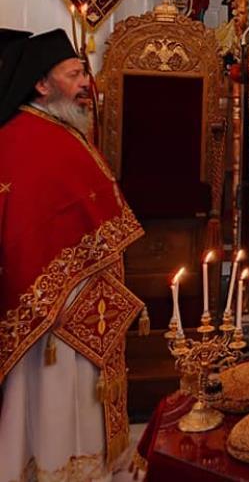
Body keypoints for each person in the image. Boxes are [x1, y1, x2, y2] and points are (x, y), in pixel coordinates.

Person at [0, 29, 145, 482]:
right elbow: (26, 228)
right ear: (42, 84)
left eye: (85, 73)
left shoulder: (60, 128)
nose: (87, 84)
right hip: (51, 309)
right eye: (74, 74)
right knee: (55, 393)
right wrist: (57, 287)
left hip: (84, 295)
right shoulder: (26, 137)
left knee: (82, 391)